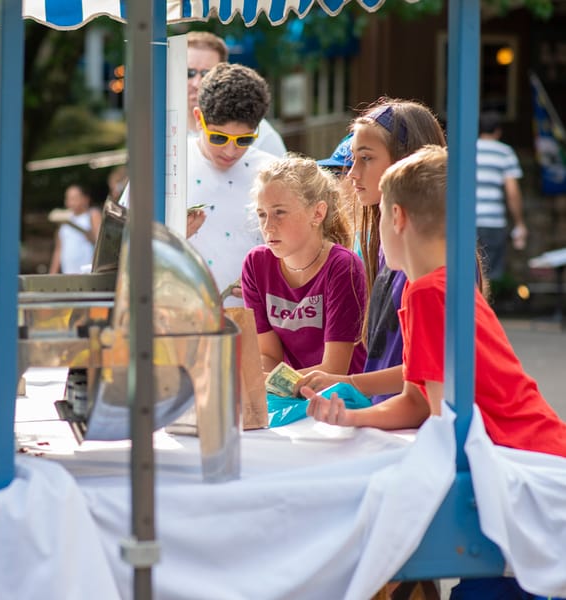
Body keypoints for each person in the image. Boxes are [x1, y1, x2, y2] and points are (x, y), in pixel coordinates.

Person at [303, 145, 566, 600]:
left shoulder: (426, 292)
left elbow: (423, 402)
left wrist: (349, 417)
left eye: (381, 216)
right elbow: (426, 381)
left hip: (523, 457)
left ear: (398, 217)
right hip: (536, 446)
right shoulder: (447, 282)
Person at [296, 99, 450, 403]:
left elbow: (424, 379)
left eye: (365, 158)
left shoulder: (433, 260)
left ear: (407, 163)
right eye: (353, 159)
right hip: (390, 420)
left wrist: (347, 384)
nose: (352, 173)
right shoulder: (384, 246)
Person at [241, 156, 367, 374]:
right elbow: (269, 355)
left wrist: (265, 381)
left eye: (280, 212)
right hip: (293, 397)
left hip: (343, 399)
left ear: (318, 213)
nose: (268, 227)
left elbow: (333, 371)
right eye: (262, 215)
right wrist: (252, 375)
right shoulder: (255, 264)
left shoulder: (342, 266)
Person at [186, 62, 277, 308]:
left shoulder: (275, 173)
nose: (230, 150)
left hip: (253, 328)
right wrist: (171, 237)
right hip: (178, 322)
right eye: (218, 137)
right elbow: (125, 250)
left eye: (244, 139)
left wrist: (268, 277)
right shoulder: (165, 166)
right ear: (198, 118)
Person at [186, 31, 286, 158]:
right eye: (189, 73)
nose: (197, 83)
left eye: (206, 74)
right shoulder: (160, 128)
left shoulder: (262, 135)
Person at [476, 110, 527, 285]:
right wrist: (519, 223)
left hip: (466, 222)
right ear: (498, 131)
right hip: (493, 222)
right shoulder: (505, 152)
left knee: (466, 269)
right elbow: (512, 192)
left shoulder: (466, 149)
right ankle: (483, 310)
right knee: (489, 275)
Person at [48, 183, 102, 274]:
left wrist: (89, 235)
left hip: (87, 274)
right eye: (68, 198)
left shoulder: (93, 215)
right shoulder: (64, 219)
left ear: (85, 199)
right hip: (68, 273)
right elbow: (58, 250)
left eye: (74, 198)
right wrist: (52, 274)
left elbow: (101, 243)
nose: (70, 202)